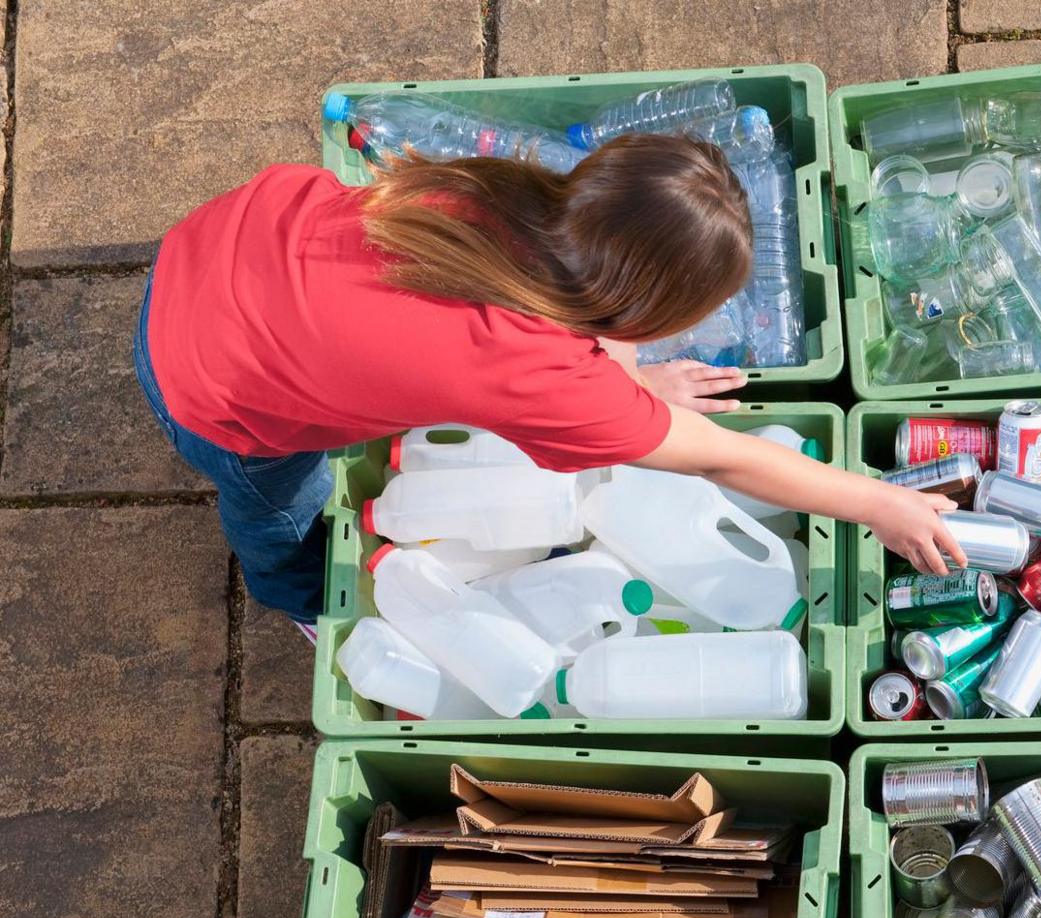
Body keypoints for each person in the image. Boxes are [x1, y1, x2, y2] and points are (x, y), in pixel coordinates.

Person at [137, 134, 964, 639]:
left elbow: (555, 327)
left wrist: (634, 386)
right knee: (277, 508)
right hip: (212, 384)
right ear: (645, 308)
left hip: (218, 244)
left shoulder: (509, 194)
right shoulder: (538, 372)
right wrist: (879, 503)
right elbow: (722, 461)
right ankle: (298, 599)